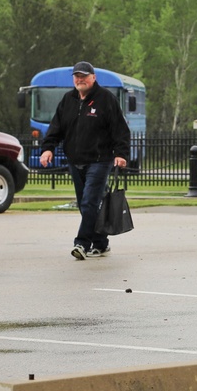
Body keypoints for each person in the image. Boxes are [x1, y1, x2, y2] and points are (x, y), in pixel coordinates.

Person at [40, 62, 130, 260]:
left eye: (83, 76)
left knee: (90, 201)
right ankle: (101, 242)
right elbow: (56, 128)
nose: (79, 79)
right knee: (85, 204)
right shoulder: (68, 100)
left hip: (100, 159)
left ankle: (81, 243)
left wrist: (121, 153)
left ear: (93, 77)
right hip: (75, 160)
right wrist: (48, 149)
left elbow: (120, 129)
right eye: (76, 76)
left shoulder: (106, 99)